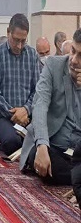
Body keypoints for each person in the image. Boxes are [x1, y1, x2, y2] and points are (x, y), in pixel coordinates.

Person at [20, 28, 81, 187]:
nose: (74, 60)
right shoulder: (53, 65)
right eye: (73, 51)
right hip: (52, 145)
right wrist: (41, 144)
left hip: (77, 151)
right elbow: (39, 105)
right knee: (45, 163)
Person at [0, 14, 41, 155]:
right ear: (8, 32)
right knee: (12, 142)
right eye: (16, 40)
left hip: (27, 115)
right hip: (3, 115)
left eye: (23, 41)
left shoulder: (32, 55)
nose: (19, 46)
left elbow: (37, 90)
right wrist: (13, 114)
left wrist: (26, 109)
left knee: (41, 142)